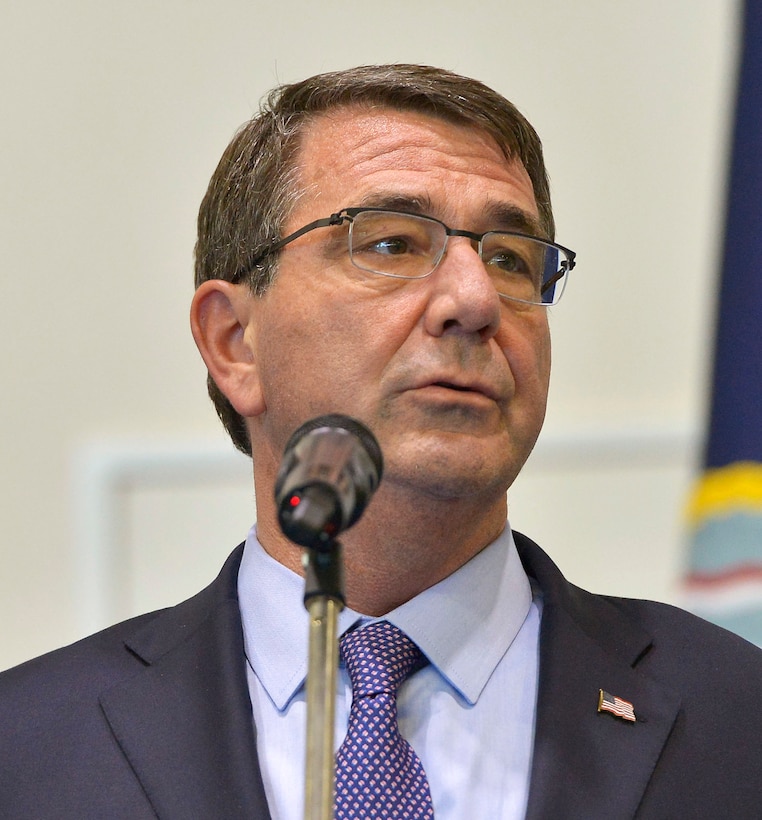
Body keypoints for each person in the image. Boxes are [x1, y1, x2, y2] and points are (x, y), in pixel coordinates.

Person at [2, 64, 762, 819]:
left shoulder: (737, 716)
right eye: (393, 245)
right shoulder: (29, 747)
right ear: (234, 341)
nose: (474, 300)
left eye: (510, 258)